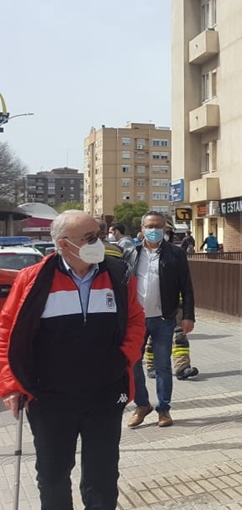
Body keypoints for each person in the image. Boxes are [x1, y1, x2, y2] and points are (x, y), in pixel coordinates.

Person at [0, 210, 145, 509]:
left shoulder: (118, 274)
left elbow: (135, 321)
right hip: (50, 397)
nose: (100, 242)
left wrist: (123, 357)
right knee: (53, 475)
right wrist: (11, 384)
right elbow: (6, 333)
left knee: (103, 476)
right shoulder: (33, 279)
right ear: (64, 244)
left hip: (104, 394)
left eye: (100, 235)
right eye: (91, 238)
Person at [124, 211, 197, 428]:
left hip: (164, 318)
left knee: (163, 366)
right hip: (136, 319)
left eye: (158, 226)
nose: (153, 230)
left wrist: (189, 316)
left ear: (165, 229)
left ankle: (164, 409)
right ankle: (142, 405)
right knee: (133, 363)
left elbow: (187, 287)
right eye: (149, 226)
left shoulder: (175, 254)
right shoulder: (130, 252)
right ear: (142, 227)